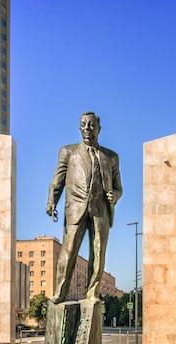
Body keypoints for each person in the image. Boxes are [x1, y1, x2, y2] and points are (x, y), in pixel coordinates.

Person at [46, 111, 123, 304]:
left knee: (98, 252)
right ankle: (60, 292)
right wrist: (51, 201)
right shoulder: (68, 151)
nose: (87, 129)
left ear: (99, 128)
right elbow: (58, 179)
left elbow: (118, 188)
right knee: (69, 250)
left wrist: (114, 196)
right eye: (83, 125)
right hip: (75, 209)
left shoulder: (111, 157)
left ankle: (93, 292)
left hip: (101, 210)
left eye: (91, 125)